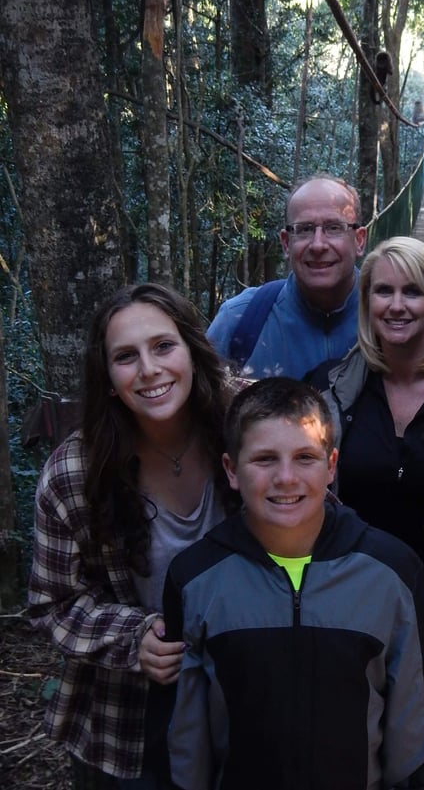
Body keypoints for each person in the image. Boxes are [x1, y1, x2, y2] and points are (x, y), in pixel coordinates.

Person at [162, 377, 424, 790]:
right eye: (264, 459)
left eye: (305, 457)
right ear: (231, 469)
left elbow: (421, 730)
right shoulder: (195, 579)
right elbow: (184, 736)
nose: (286, 478)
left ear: (332, 465)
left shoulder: (391, 573)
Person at [27, 283, 234, 789]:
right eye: (126, 357)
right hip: (130, 718)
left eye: (163, 346)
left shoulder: (249, 425)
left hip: (247, 690)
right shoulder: (75, 472)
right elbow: (51, 604)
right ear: (108, 378)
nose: (149, 369)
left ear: (191, 349)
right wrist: (133, 637)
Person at [308, 236, 424, 591]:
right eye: (383, 291)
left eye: (412, 292)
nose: (396, 306)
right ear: (367, 300)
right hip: (350, 598)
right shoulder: (329, 387)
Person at [207, 173, 367, 379]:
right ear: (286, 243)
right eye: (304, 229)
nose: (318, 245)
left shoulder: (392, 317)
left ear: (359, 240)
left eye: (334, 228)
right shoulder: (239, 319)